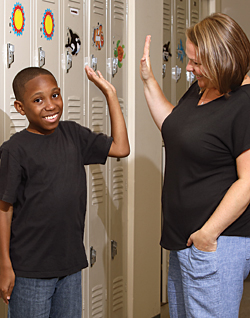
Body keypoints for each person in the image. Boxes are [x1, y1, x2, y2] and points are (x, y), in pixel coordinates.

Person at [140, 13, 250, 317]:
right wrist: (149, 81)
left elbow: (248, 181)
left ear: (222, 59)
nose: (188, 68)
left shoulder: (244, 104)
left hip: (214, 245)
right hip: (185, 241)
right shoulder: (203, 88)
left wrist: (208, 234)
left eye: (196, 62)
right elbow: (175, 128)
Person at [0, 66, 129, 317]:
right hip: (30, 270)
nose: (50, 105)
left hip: (69, 265)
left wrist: (110, 94)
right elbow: (4, 209)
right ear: (20, 107)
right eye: (38, 100)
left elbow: (121, 148)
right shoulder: (14, 150)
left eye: (55, 95)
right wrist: (4, 264)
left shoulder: (73, 134)